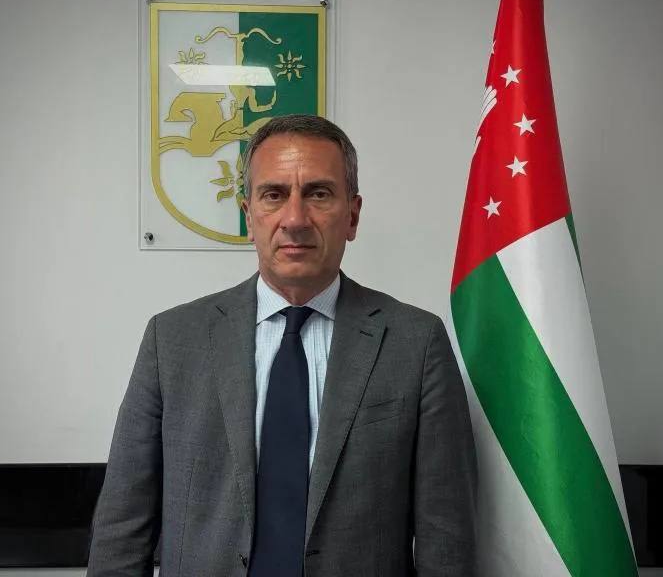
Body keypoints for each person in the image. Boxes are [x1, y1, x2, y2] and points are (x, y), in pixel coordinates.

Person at [87, 114, 477, 576]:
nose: (295, 219)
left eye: (318, 193)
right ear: (248, 215)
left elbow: (446, 538)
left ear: (352, 215)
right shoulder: (171, 340)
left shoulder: (416, 342)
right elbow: (122, 528)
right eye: (274, 195)